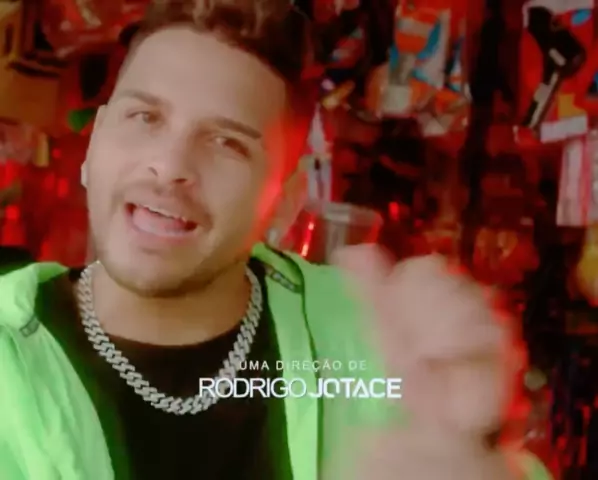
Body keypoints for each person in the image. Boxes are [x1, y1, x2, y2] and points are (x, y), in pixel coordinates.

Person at [0, 1, 551, 479]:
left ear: (285, 202)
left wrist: (479, 458)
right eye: (145, 117)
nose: (169, 165)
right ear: (94, 145)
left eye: (226, 143)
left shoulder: (374, 345)